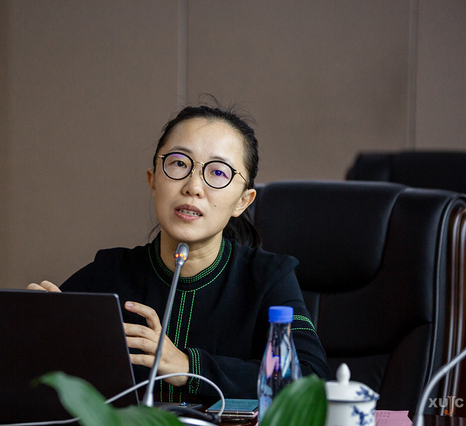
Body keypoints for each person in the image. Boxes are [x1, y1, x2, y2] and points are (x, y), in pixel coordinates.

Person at [28, 102, 330, 403]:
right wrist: (34, 332)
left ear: (243, 201)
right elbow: (41, 375)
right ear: (153, 181)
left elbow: (311, 379)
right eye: (178, 164)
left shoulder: (268, 279)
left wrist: (188, 367)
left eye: (218, 172)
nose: (193, 186)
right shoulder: (110, 273)